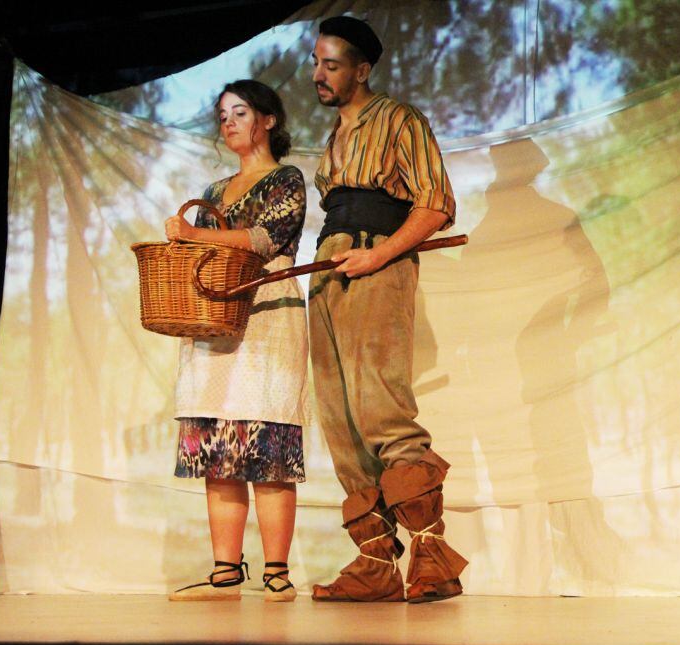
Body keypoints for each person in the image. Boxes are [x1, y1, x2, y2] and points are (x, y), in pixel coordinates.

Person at [307, 16, 467, 603]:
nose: (318, 75)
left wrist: (381, 258)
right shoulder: (333, 139)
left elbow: (435, 205)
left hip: (376, 262)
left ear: (361, 70)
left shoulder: (400, 119)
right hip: (329, 269)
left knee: (380, 405)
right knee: (339, 415)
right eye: (317, 63)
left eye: (331, 64)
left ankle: (432, 556)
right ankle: (375, 563)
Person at [163, 80, 308, 602]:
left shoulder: (285, 178)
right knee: (220, 443)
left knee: (266, 440)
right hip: (217, 315)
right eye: (222, 115)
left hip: (267, 311)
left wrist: (197, 236)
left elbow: (267, 239)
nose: (229, 122)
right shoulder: (212, 192)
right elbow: (203, 257)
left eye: (240, 112)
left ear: (268, 119)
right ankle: (226, 570)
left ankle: (277, 572)